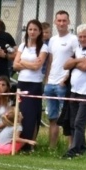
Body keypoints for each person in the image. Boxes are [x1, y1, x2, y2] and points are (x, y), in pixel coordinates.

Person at [62, 24, 86, 159]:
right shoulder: (78, 49)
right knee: (73, 122)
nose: (83, 39)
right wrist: (79, 60)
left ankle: (74, 150)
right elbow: (65, 65)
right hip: (74, 90)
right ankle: (81, 147)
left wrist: (75, 62)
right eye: (80, 36)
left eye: (85, 36)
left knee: (79, 122)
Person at [44, 11, 79, 149]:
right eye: (59, 20)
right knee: (52, 118)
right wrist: (47, 79)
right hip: (50, 84)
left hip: (63, 85)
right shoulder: (52, 40)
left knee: (67, 116)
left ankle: (71, 146)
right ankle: (52, 147)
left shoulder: (73, 39)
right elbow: (51, 61)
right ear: (55, 22)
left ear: (68, 22)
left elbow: (76, 59)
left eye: (64, 20)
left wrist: (66, 78)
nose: (61, 23)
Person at [13, 19, 49, 148]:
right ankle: (18, 143)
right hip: (22, 83)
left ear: (39, 32)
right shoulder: (22, 45)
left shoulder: (43, 47)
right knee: (21, 113)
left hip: (34, 84)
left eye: (35, 29)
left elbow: (37, 67)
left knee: (32, 114)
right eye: (30, 29)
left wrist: (22, 62)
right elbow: (15, 65)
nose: (32, 32)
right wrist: (27, 64)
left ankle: (29, 144)